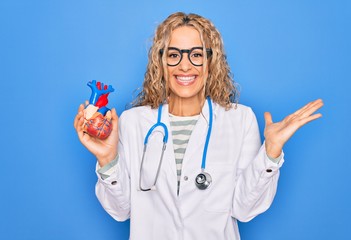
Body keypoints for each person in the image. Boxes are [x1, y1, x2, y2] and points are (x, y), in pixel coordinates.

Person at [74, 12, 323, 240]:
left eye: (196, 54)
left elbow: (245, 210)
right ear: (161, 63)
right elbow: (121, 211)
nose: (185, 65)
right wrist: (107, 160)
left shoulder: (240, 120)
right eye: (174, 55)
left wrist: (271, 153)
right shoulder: (133, 122)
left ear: (210, 62)